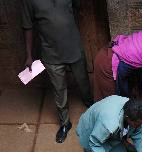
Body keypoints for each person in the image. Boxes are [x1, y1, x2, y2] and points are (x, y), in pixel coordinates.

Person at [21, 0, 92, 143]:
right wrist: (29, 55)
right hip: (51, 53)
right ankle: (65, 123)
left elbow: (77, 9)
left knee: (83, 81)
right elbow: (27, 27)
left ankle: (90, 104)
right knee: (59, 90)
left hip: (74, 47)